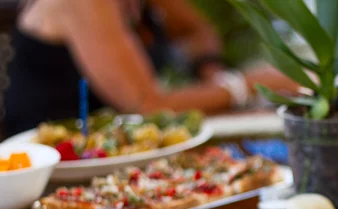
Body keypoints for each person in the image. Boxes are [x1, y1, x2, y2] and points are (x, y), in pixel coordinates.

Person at [3, 0, 297, 137]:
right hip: (49, 165)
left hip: (120, 146)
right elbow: (148, 104)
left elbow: (198, 30)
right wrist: (244, 86)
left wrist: (211, 71)